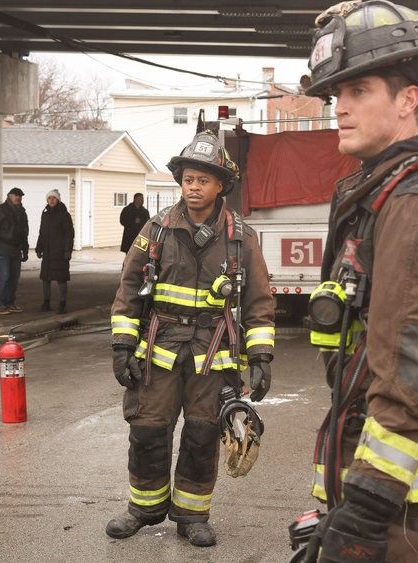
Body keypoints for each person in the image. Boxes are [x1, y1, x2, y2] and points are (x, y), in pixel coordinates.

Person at [299, 2, 418, 561]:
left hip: (408, 511)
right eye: (336, 95)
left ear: (408, 99)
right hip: (396, 493)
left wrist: (365, 507)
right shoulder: (385, 190)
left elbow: (417, 365)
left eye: (358, 91)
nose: (340, 108)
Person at [106, 131, 275, 548]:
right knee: (147, 430)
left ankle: (192, 515)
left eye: (202, 180)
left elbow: (258, 301)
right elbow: (129, 289)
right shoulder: (156, 229)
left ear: (221, 186)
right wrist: (122, 346)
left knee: (202, 436)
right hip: (159, 351)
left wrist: (261, 356)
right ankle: (143, 509)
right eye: (188, 180)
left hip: (213, 355)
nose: (193, 188)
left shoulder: (242, 238)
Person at [0, 187, 28, 315]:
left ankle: (10, 303)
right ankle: (1, 305)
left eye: (20, 195)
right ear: (9, 196)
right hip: (3, 249)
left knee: (14, 278)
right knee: (4, 277)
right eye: (16, 195)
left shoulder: (22, 212)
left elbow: (24, 233)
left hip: (16, 250)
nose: (18, 197)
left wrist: (25, 250)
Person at [35, 189, 74, 314]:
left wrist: (68, 250)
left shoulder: (64, 215)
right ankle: (46, 302)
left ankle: (62, 303)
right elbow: (42, 232)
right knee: (45, 278)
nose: (51, 200)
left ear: (58, 200)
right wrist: (39, 247)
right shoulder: (45, 214)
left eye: (54, 198)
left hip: (60, 252)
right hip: (47, 252)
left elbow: (69, 234)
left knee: (61, 278)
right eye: (49, 198)